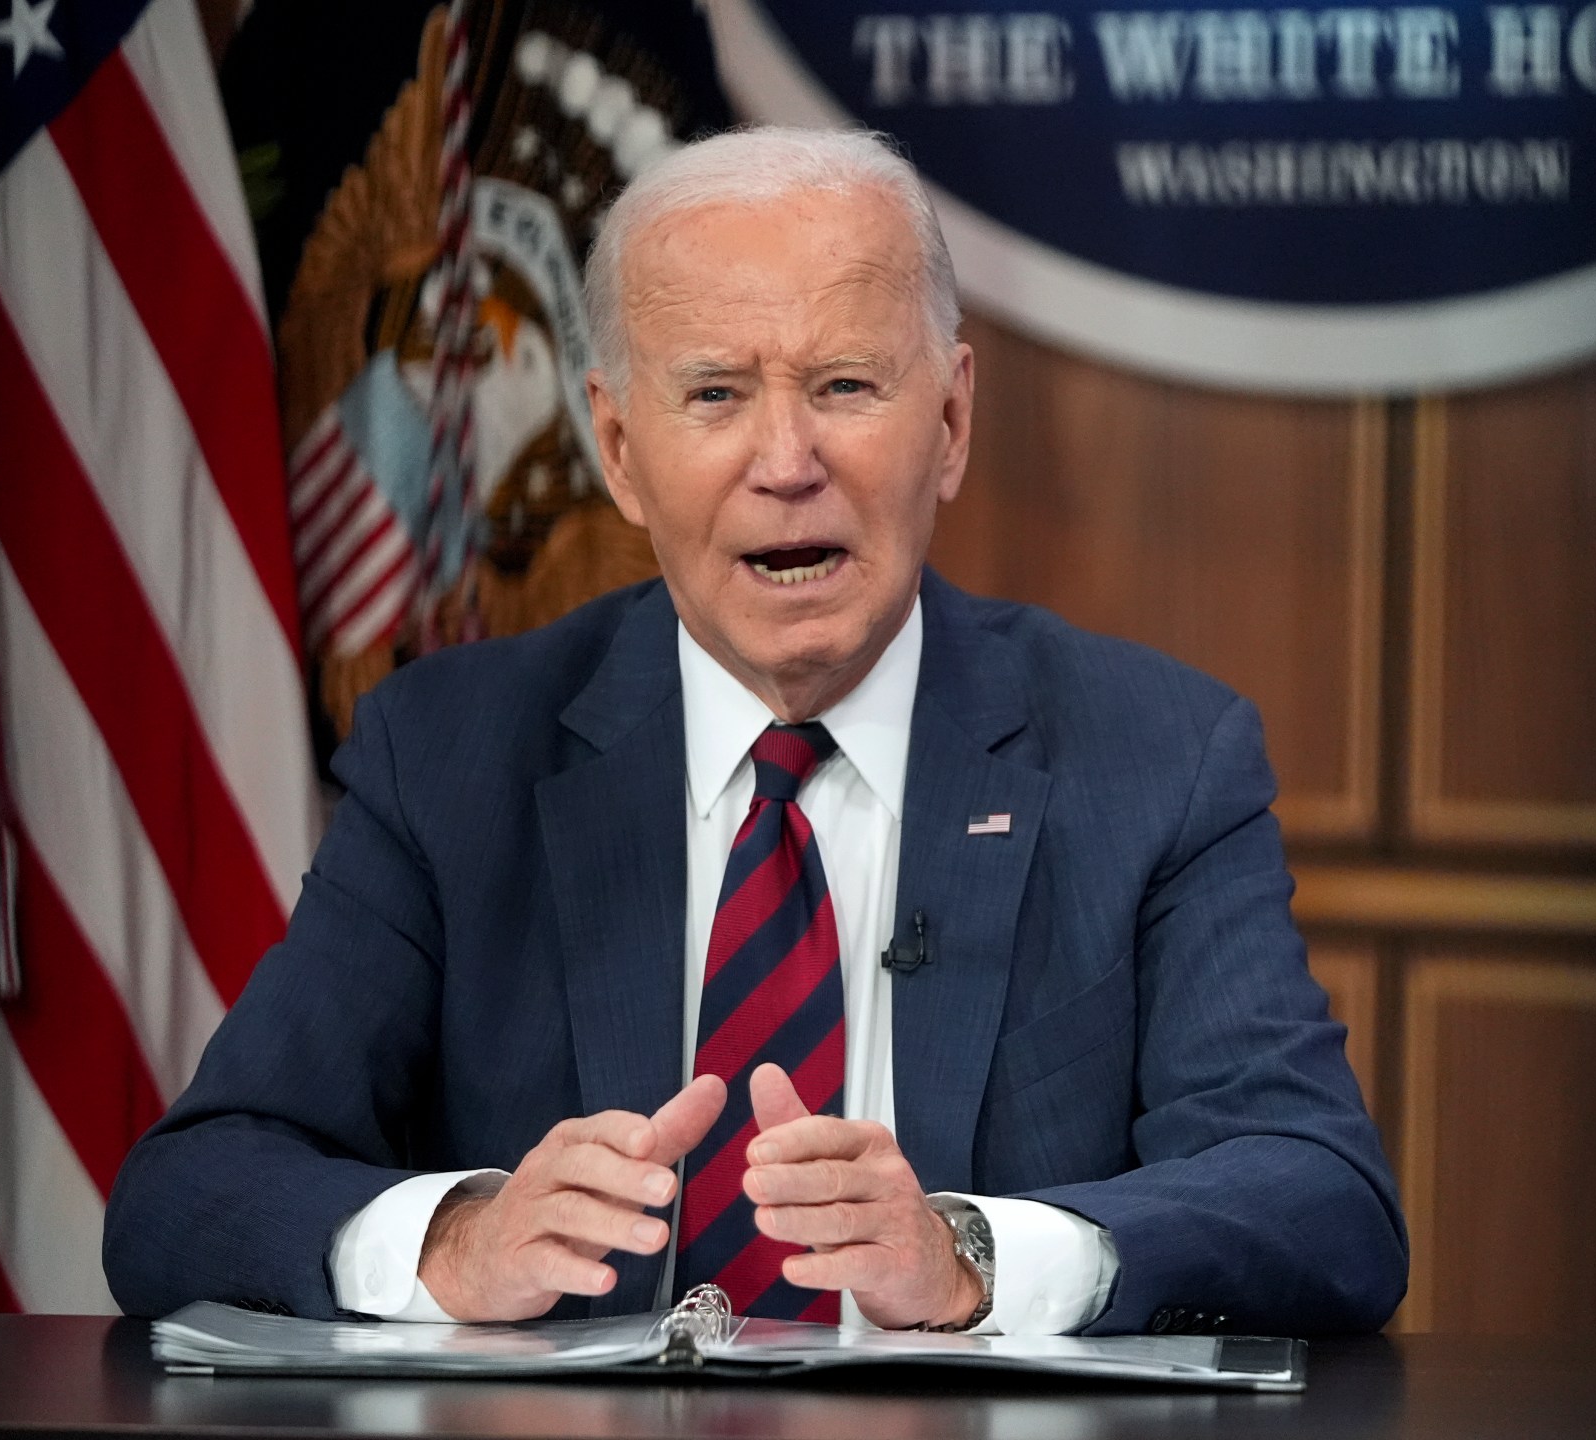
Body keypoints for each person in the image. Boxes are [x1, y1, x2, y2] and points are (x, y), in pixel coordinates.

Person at [103, 127, 1405, 1337]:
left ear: (949, 423)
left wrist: (977, 1259)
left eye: (844, 383)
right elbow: (190, 1192)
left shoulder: (1155, 758)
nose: (786, 460)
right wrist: (449, 1241)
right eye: (716, 395)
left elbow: (1320, 1197)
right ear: (618, 448)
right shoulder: (452, 760)